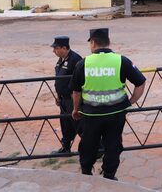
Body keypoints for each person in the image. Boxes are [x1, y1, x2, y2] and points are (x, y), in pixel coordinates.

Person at [70, 28, 146, 180]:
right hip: (116, 114)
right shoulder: (121, 61)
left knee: (88, 144)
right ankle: (109, 175)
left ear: (93, 43)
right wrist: (130, 102)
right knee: (113, 145)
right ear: (108, 42)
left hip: (92, 115)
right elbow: (141, 82)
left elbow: (76, 92)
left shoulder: (83, 63)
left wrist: (75, 110)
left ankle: (86, 173)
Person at [51, 36, 83, 153]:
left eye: (56, 48)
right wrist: (58, 96)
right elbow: (59, 80)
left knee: (79, 125)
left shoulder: (75, 59)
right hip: (63, 99)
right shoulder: (61, 60)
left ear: (64, 48)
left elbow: (80, 80)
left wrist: (76, 99)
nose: (54, 51)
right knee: (65, 124)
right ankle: (66, 147)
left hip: (72, 99)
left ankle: (97, 148)